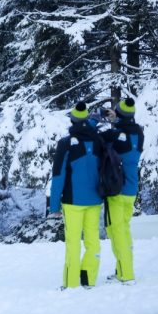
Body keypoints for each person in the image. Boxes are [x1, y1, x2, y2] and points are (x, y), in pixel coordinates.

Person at [49, 101, 104, 289]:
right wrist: (95, 121)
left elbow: (58, 176)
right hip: (95, 199)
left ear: (72, 120)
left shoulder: (65, 144)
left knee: (73, 243)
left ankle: (71, 283)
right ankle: (88, 279)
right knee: (93, 241)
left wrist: (54, 206)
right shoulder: (98, 140)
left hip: (72, 202)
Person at [100, 98, 144, 285]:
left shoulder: (116, 134)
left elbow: (102, 140)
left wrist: (111, 121)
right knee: (124, 230)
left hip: (117, 191)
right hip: (131, 189)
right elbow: (124, 131)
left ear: (120, 114)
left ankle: (127, 274)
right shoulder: (139, 133)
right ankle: (121, 270)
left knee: (116, 232)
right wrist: (117, 119)